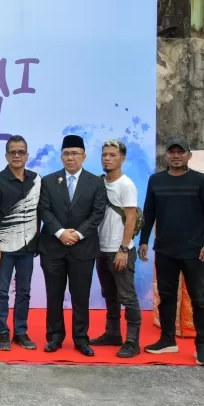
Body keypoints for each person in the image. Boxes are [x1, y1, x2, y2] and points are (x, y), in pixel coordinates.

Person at [38, 134, 107, 357]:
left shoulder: (96, 182)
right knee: (54, 294)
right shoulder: (48, 181)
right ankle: (54, 337)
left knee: (80, 296)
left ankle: (81, 339)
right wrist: (60, 232)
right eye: (66, 154)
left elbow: (98, 213)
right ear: (61, 157)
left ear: (84, 156)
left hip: (82, 248)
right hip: (53, 248)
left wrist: (77, 234)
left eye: (75, 153)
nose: (71, 158)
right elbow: (44, 210)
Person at [140, 138, 204, 366]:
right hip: (165, 249)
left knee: (200, 299)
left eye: (181, 152)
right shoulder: (156, 180)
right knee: (166, 297)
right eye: (172, 152)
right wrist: (144, 240)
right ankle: (167, 340)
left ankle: (202, 346)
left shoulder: (199, 180)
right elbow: (149, 212)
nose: (176, 156)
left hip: (194, 251)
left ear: (189, 156)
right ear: (166, 156)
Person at [0, 135, 40, 352]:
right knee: (2, 291)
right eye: (13, 152)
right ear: (6, 155)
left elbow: (39, 212)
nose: (17, 155)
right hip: (4, 247)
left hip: (28, 247)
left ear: (27, 155)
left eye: (21, 152)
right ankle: (3, 333)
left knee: (24, 291)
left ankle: (21, 332)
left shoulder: (36, 180)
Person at [90, 140, 142, 358]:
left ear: (122, 158)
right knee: (109, 293)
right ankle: (112, 333)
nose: (107, 159)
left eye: (112, 155)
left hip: (119, 249)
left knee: (127, 296)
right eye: (104, 155)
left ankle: (132, 341)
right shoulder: (99, 182)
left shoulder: (126, 185)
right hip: (101, 248)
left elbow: (130, 218)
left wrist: (123, 248)